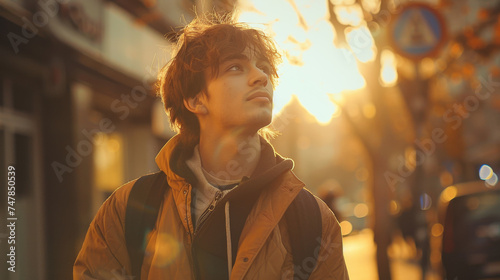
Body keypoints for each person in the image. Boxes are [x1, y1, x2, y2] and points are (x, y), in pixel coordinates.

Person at [73, 14, 349, 280]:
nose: (261, 77)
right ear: (195, 100)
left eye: (264, 67)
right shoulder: (127, 210)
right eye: (235, 67)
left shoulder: (312, 219)